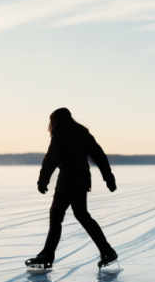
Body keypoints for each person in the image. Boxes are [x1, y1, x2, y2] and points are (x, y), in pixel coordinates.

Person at [26, 107, 118, 271]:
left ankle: (47, 256)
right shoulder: (82, 132)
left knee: (56, 216)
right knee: (82, 215)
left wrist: (43, 180)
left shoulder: (60, 133)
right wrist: (108, 177)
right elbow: (99, 154)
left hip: (68, 180)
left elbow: (51, 159)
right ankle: (107, 251)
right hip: (82, 180)